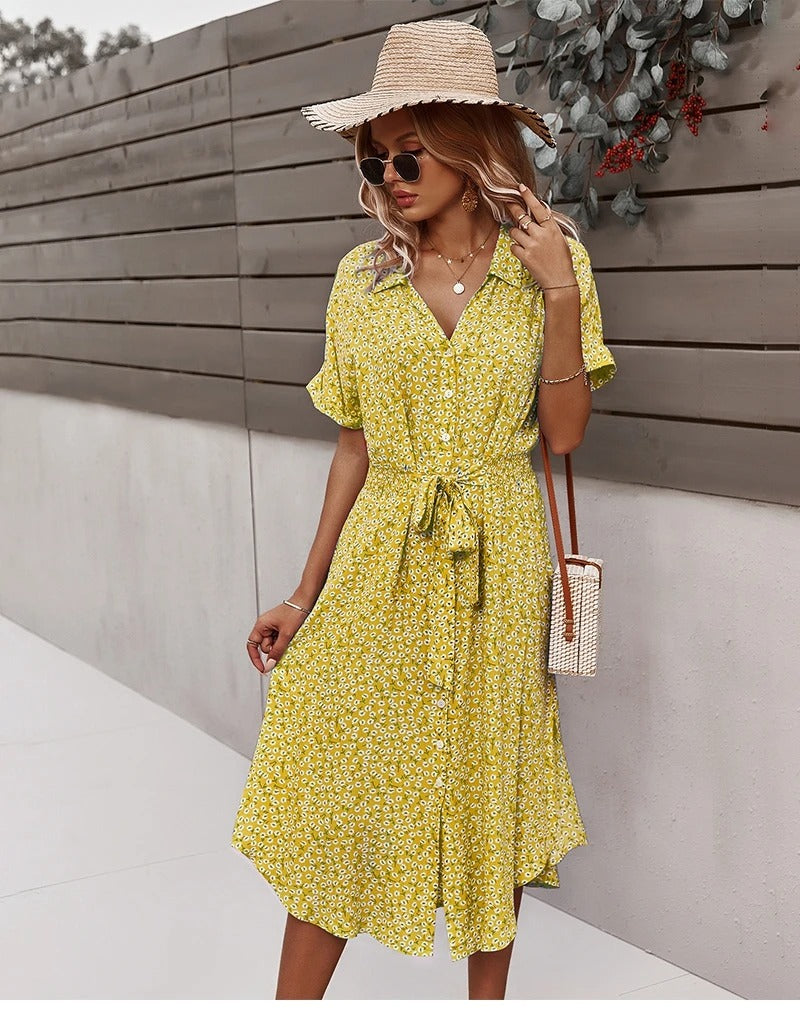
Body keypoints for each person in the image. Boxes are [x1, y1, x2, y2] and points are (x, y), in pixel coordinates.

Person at [231, 18, 617, 1001]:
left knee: (489, 780)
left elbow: (564, 435)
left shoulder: (551, 264)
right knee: (344, 787)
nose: (389, 176)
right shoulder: (360, 281)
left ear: (465, 143)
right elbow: (352, 446)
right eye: (373, 158)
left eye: (408, 153)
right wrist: (303, 594)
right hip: (380, 560)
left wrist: (557, 297)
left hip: (500, 560)